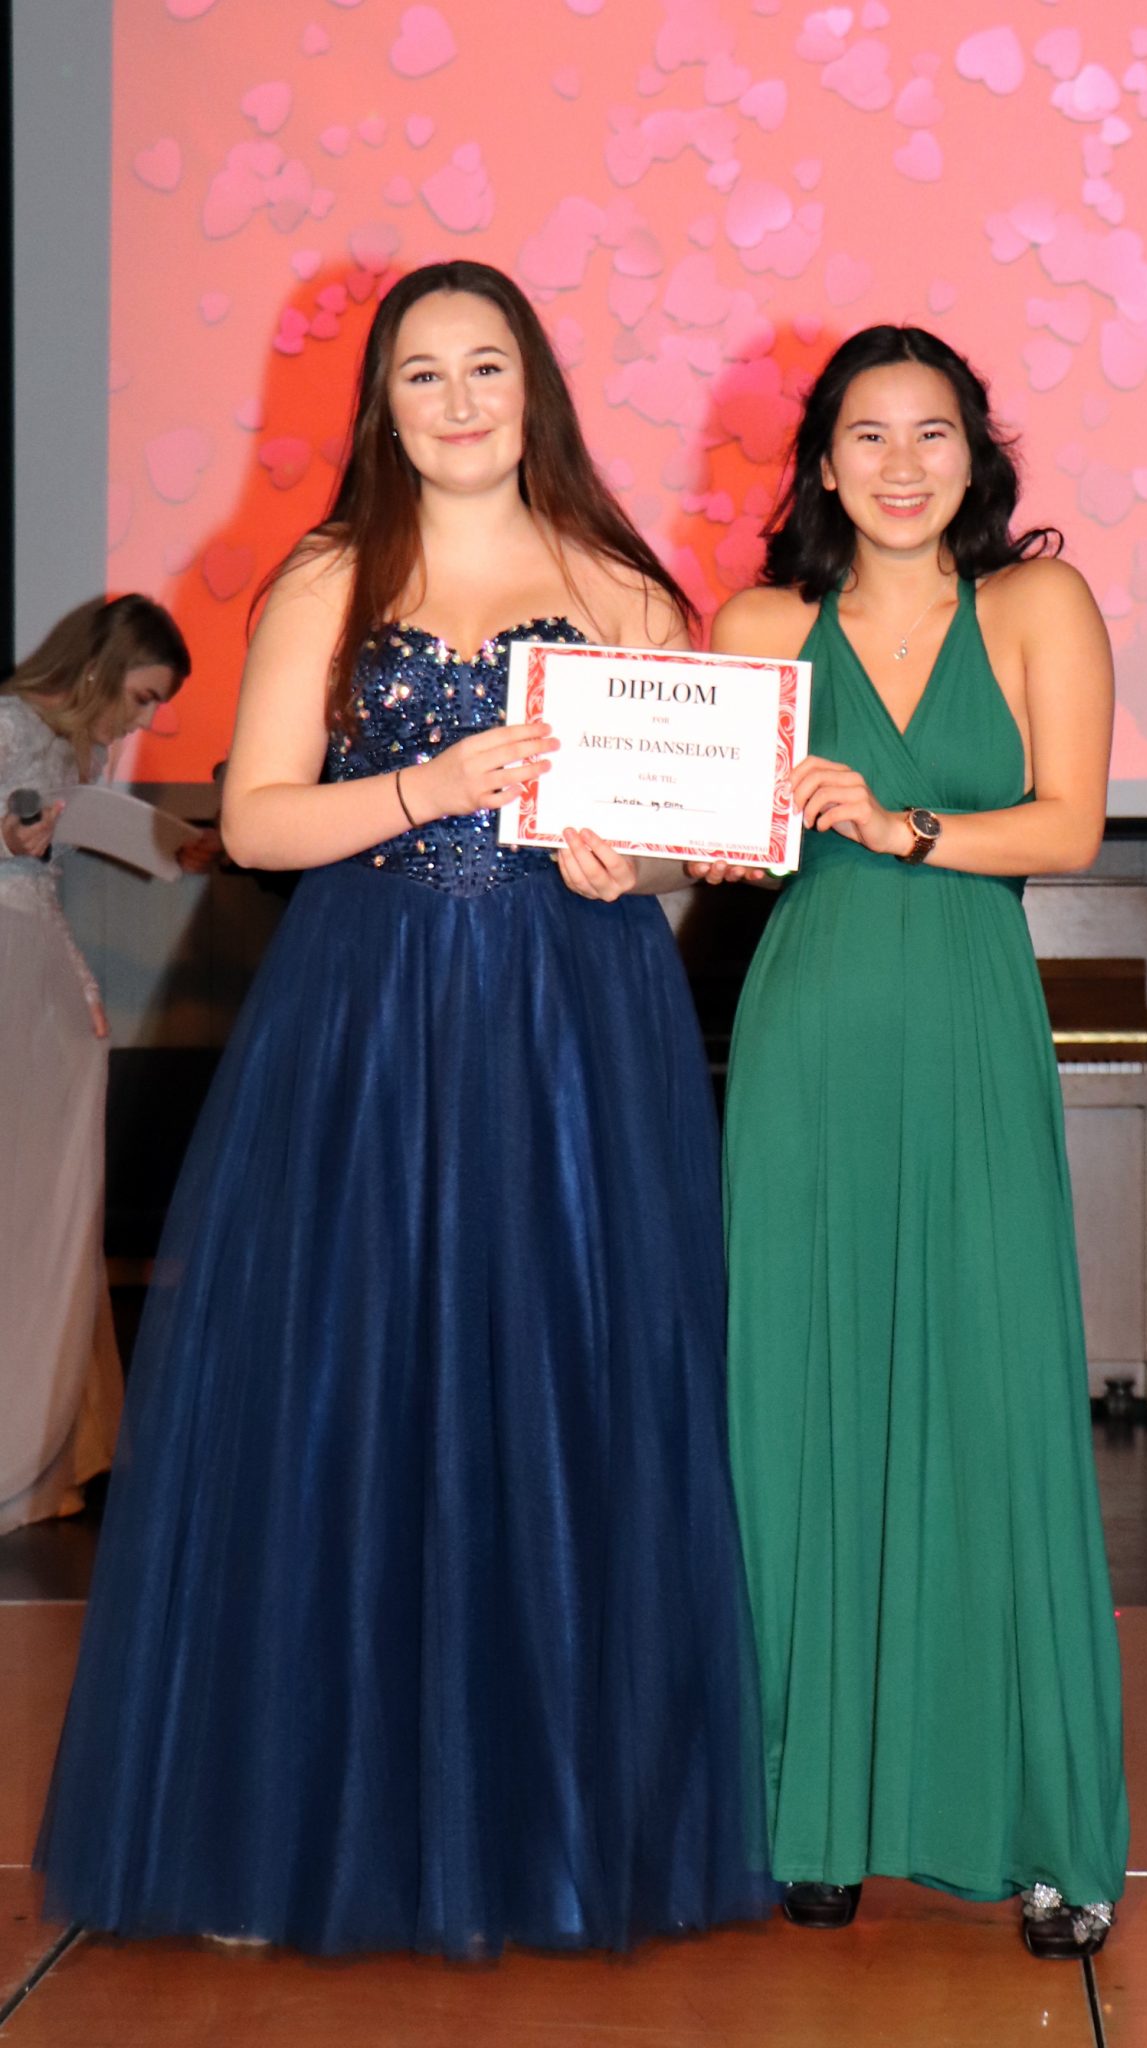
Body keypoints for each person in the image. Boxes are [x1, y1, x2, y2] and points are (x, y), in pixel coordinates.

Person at [38, 261, 771, 1958]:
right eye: (421, 373)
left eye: (484, 366)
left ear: (533, 388)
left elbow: (694, 835)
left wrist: (645, 859)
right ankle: (294, 1827)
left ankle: (559, 1831)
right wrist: (427, 785)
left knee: (565, 1379)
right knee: (344, 1385)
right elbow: (260, 820)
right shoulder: (327, 574)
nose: (456, 400)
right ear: (380, 406)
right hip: (368, 1026)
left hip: (576, 1030)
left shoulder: (615, 578)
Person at [695, 325, 1128, 1958]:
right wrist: (676, 843)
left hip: (964, 1027)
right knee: (797, 1400)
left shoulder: (1034, 604)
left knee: (988, 1399)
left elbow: (1067, 824)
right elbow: (723, 843)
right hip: (806, 1035)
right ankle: (807, 1815)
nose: (897, 463)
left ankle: (1044, 1829)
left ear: (974, 452)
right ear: (819, 461)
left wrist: (900, 824)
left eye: (929, 431)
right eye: (864, 435)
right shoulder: (755, 626)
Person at [0, 595, 190, 1535]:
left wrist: (186, 847)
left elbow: (56, 867)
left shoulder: (83, 753)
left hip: (41, 969)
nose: (142, 719)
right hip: (7, 964)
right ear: (100, 670)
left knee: (53, 1202)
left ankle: (43, 1448)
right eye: (143, 697)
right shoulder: (6, 723)